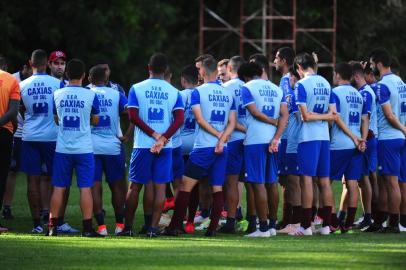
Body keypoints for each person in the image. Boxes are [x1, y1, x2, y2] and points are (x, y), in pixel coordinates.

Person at [165, 55, 236, 237]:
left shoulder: (198, 92)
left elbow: (199, 119)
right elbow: (232, 123)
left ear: (203, 71)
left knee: (185, 187)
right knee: (217, 187)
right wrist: (222, 139)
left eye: (199, 70)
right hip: (222, 148)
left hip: (203, 147)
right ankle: (212, 229)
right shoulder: (228, 93)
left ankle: (174, 226)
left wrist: (217, 136)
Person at [119, 53, 184, 237]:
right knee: (160, 187)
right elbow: (179, 120)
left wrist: (155, 136)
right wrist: (163, 139)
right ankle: (153, 229)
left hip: (142, 145)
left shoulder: (136, 88)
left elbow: (133, 117)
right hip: (165, 147)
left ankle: (128, 228)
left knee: (135, 187)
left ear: (149, 68)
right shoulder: (174, 92)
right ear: (165, 71)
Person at [47, 59, 101, 237]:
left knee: (59, 188)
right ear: (84, 76)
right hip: (84, 148)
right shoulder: (91, 95)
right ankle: (87, 228)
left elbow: (56, 119)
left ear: (66, 75)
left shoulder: (57, 93)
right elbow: (96, 119)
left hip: (62, 148)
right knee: (85, 188)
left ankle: (52, 227)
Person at [290, 52, 336, 236]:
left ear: (299, 68)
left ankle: (306, 226)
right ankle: (326, 225)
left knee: (307, 180)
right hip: (324, 137)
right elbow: (332, 116)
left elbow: (305, 116)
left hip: (308, 138)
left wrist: (315, 116)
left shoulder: (301, 84)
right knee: (324, 182)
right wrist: (325, 117)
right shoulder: (326, 83)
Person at [240, 61, 288, 237]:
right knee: (271, 182)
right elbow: (285, 115)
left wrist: (271, 121)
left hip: (255, 140)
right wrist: (276, 137)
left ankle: (263, 228)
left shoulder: (247, 87)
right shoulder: (276, 89)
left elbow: (254, 112)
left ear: (245, 76)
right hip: (275, 140)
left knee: (258, 182)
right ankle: (273, 225)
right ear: (261, 72)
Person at [19, 49, 60, 233]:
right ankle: (53, 221)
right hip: (51, 136)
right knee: (54, 179)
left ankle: (36, 223)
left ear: (30, 63)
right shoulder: (57, 83)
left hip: (29, 136)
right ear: (47, 64)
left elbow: (19, 109)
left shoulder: (22, 84)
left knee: (32, 180)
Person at [367, 48, 406, 233]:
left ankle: (393, 223)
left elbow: (389, 115)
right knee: (397, 181)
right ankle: (389, 220)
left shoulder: (383, 86)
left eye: (372, 64)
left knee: (391, 182)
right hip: (401, 138)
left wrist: (402, 128)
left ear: (379, 64)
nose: (371, 67)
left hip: (390, 137)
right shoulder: (401, 82)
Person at [88, 65, 128, 236]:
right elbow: (133, 113)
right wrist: (127, 135)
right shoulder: (117, 94)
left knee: (95, 187)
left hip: (91, 146)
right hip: (113, 146)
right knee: (117, 187)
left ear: (89, 79)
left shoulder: (86, 94)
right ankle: (120, 225)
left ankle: (102, 227)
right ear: (106, 79)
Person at [330, 62, 368, 233]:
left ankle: (331, 221)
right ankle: (348, 223)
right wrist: (362, 140)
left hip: (340, 143)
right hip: (357, 143)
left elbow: (335, 118)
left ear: (338, 75)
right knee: (352, 182)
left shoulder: (335, 93)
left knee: (325, 182)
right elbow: (365, 119)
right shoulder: (359, 95)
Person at [48, 50, 79, 234]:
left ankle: (58, 220)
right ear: (49, 65)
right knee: (49, 181)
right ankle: (49, 217)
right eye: (56, 63)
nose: (59, 66)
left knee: (62, 183)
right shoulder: (50, 84)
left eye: (62, 63)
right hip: (48, 139)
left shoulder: (68, 86)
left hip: (61, 139)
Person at [349, 61, 378, 230]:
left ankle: (371, 216)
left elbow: (365, 118)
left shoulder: (366, 94)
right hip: (365, 138)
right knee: (363, 178)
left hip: (368, 139)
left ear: (356, 76)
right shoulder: (362, 92)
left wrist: (363, 139)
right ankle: (368, 215)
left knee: (367, 178)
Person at [219, 55, 246, 234]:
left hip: (234, 139)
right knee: (252, 182)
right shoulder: (249, 86)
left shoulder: (225, 88)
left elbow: (226, 118)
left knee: (231, 182)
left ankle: (230, 220)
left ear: (229, 69)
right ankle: (256, 220)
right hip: (251, 139)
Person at [2, 61, 31, 219]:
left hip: (23, 131)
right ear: (24, 68)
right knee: (9, 170)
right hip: (11, 130)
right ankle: (6, 207)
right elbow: (12, 111)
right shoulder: (12, 79)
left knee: (15, 171)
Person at [277, 67, 302, 234]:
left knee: (295, 182)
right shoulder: (298, 89)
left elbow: (300, 115)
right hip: (300, 141)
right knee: (291, 182)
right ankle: (291, 221)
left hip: (294, 142)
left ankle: (297, 223)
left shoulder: (295, 90)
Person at [273, 47, 296, 230]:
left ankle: (294, 220)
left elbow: (287, 110)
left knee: (292, 180)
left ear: (284, 60)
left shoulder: (289, 80)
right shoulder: (284, 80)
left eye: (276, 58)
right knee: (285, 180)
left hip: (290, 137)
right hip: (286, 137)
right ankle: (287, 219)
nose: (274, 61)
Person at [0, 55, 20, 233]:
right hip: (3, 132)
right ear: (5, 65)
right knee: (1, 176)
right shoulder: (11, 79)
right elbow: (13, 110)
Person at [179, 65, 200, 234]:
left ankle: (179, 218)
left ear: (183, 80)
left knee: (179, 183)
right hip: (197, 144)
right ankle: (191, 221)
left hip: (179, 144)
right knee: (195, 186)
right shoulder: (201, 94)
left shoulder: (178, 95)